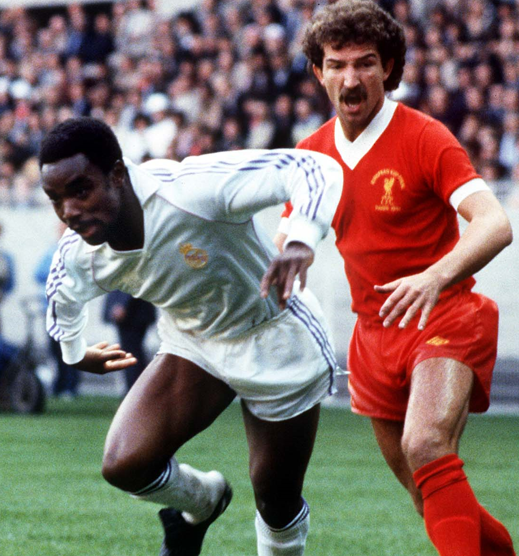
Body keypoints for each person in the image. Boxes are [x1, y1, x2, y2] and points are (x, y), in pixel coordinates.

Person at [275, 2, 516, 554]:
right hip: (373, 335)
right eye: (336, 65)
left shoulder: (426, 137)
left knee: (426, 444)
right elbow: (292, 233)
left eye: (365, 63)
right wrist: (292, 255)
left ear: (388, 67)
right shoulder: (311, 156)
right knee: (428, 491)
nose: (351, 78)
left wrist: (434, 275)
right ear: (318, 72)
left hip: (445, 315)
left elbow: (495, 224)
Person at [42, 117, 343, 556]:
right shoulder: (79, 253)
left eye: (80, 189)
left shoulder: (192, 189)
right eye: (56, 199)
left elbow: (314, 168)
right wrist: (74, 352)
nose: (68, 210)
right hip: (194, 344)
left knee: (275, 502)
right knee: (125, 464)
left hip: (273, 336)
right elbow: (62, 300)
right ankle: (203, 502)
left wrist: (301, 238)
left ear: (118, 176)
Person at [33, 222, 83, 399]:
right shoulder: (52, 250)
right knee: (55, 349)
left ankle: (70, 386)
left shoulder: (77, 251)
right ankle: (60, 384)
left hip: (69, 308)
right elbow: (38, 273)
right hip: (51, 308)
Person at [102, 290, 156, 392]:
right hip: (137, 311)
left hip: (132, 313)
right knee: (134, 352)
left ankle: (135, 391)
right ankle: (139, 390)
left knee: (131, 353)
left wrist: (122, 304)